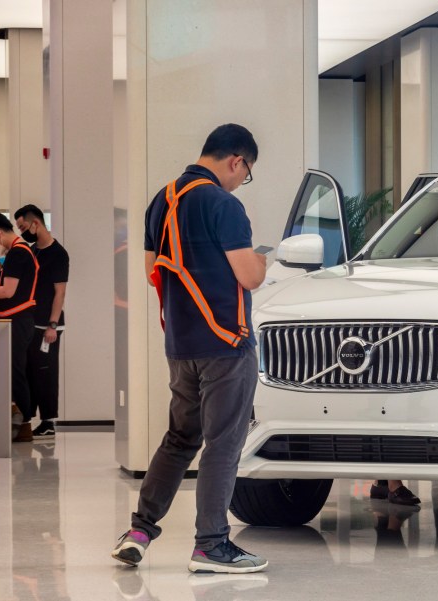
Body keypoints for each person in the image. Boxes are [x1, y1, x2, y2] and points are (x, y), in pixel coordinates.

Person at [111, 124, 268, 574]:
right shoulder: (224, 204)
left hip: (180, 344)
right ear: (236, 160)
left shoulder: (161, 201)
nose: (242, 180)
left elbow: (150, 271)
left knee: (180, 439)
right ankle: (212, 544)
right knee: (223, 443)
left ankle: (139, 531)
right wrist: (261, 258)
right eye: (247, 171)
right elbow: (250, 276)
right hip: (226, 344)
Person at [15, 204, 70, 439]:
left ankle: (48, 421)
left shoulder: (58, 254)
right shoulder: (32, 250)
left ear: (35, 223)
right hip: (30, 323)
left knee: (46, 373)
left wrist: (52, 325)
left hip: (48, 325)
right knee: (29, 372)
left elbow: (60, 293)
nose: (21, 232)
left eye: (23, 227)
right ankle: (29, 418)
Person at [0, 212, 39, 443]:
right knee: (14, 371)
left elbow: (8, 291)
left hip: (18, 321)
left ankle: (23, 425)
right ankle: (19, 421)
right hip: (17, 320)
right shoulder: (20, 252)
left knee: (15, 372)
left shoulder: (17, 253)